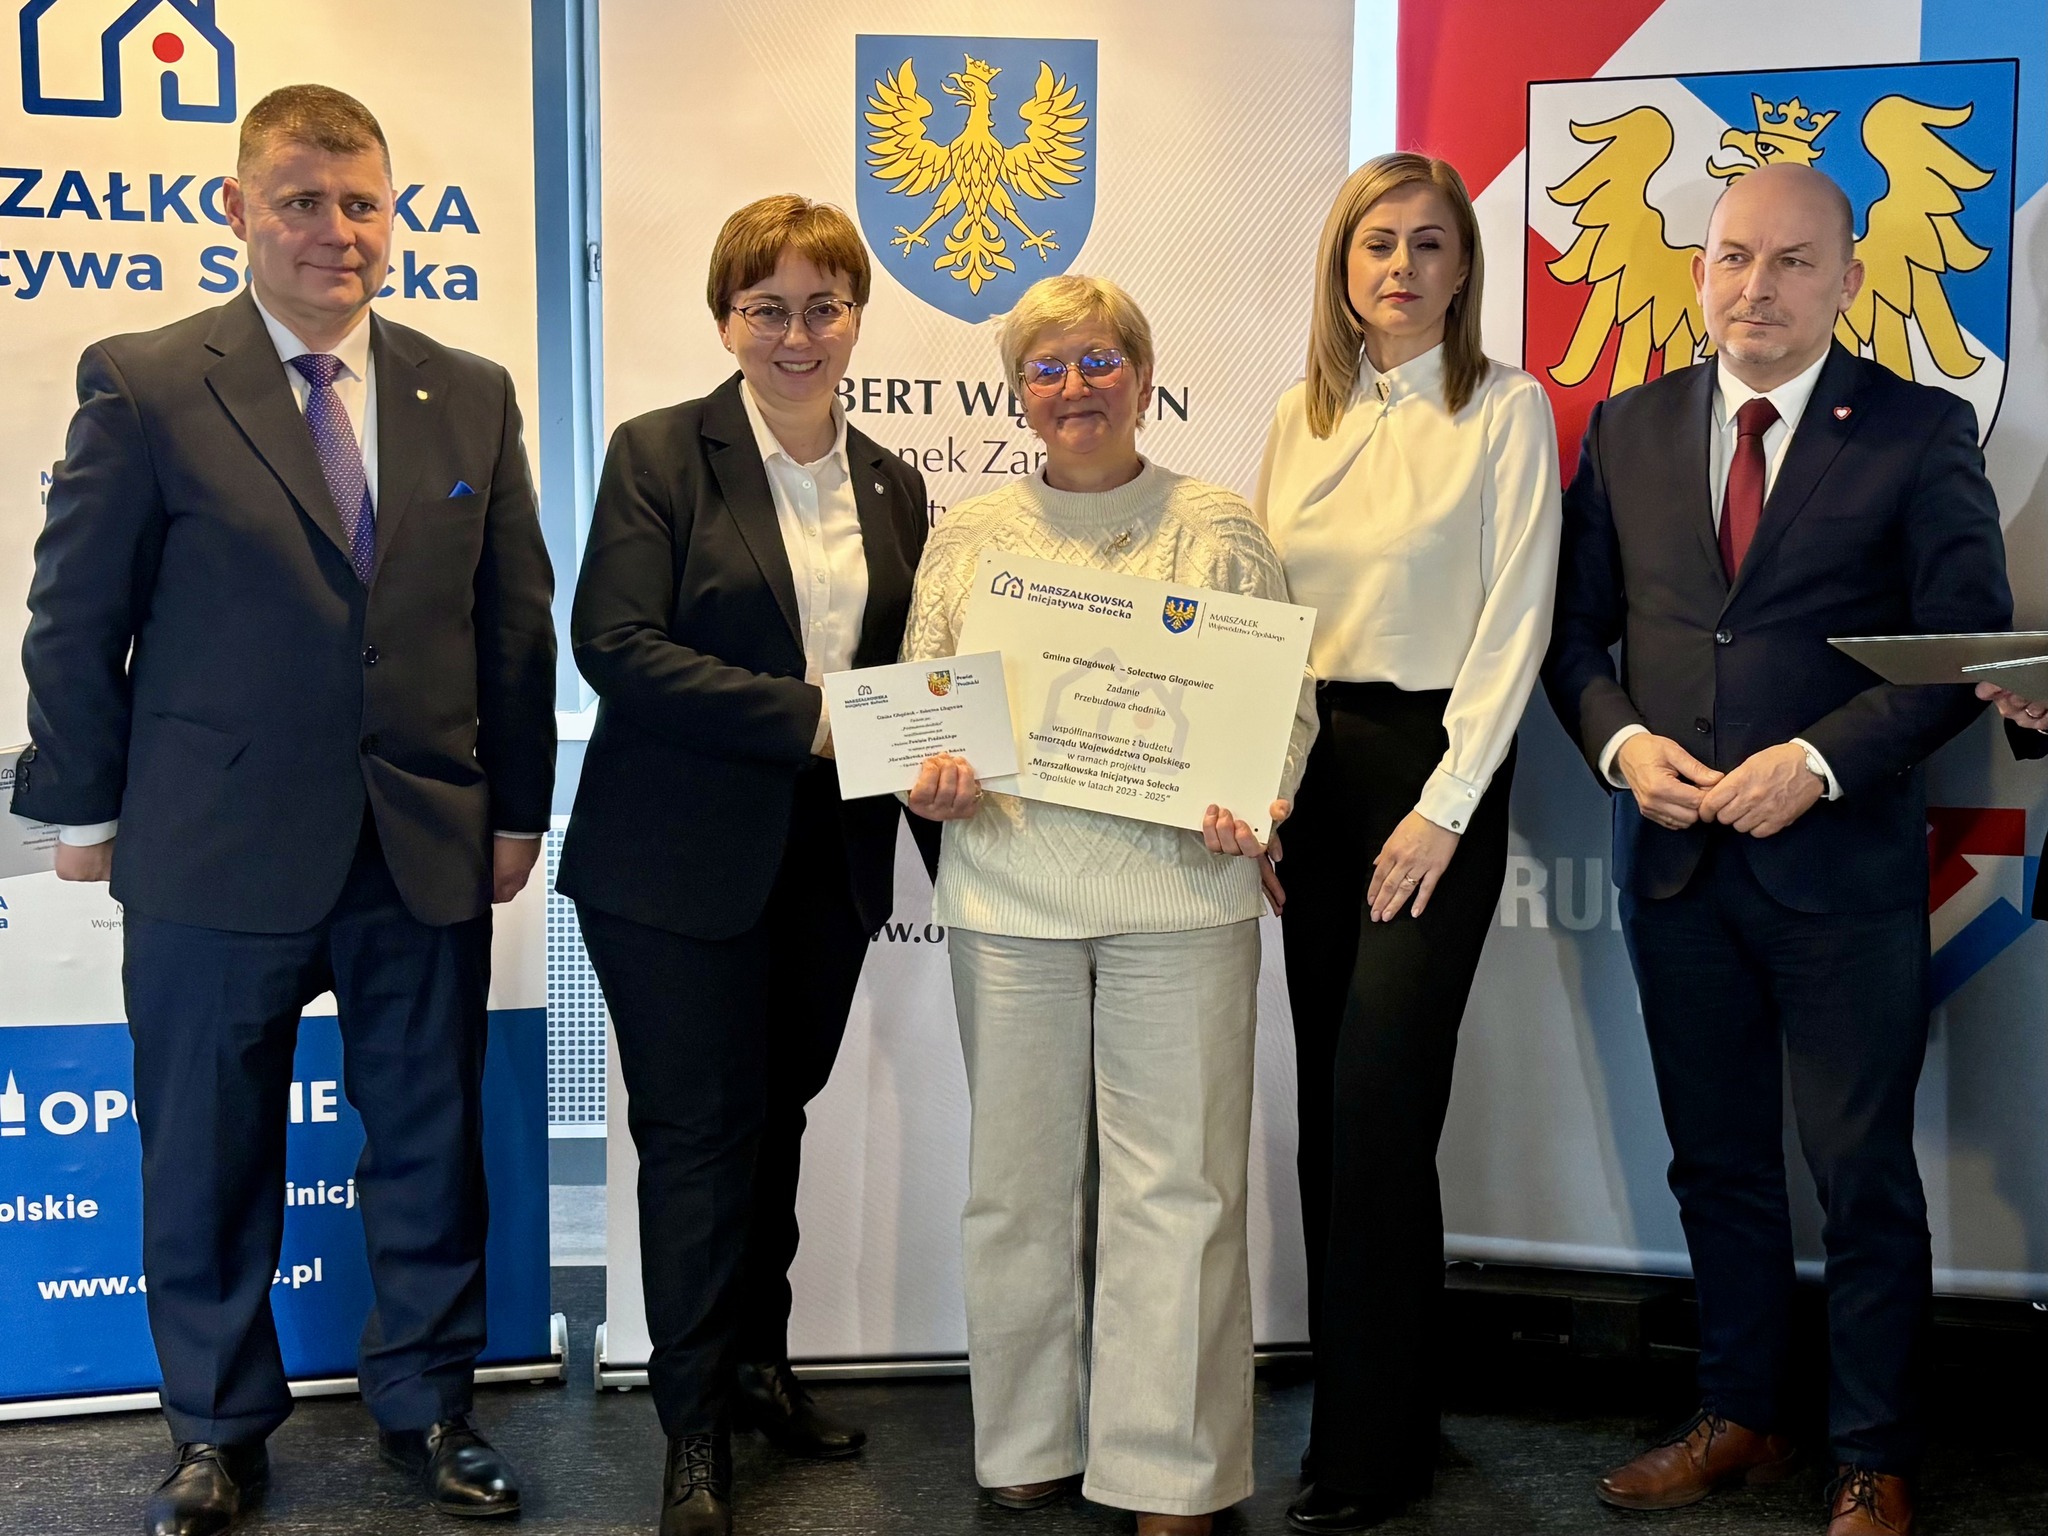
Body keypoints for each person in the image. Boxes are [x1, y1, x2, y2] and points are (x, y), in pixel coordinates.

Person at [9, 85, 555, 1534]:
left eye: (361, 202)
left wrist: (519, 812)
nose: (336, 229)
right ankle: (215, 1429)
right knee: (206, 1154)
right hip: (211, 844)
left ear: (395, 215)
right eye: (303, 199)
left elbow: (514, 625)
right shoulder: (146, 381)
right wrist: (79, 808)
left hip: (419, 842)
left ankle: (429, 1408)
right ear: (238, 208)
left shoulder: (469, 389)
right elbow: (76, 618)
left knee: (428, 1147)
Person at [1542, 163, 2011, 1536]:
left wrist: (1813, 763)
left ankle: (1872, 1453)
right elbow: (1572, 638)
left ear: (1848, 280)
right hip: (1674, 863)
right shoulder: (1626, 427)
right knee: (1715, 1161)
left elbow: (1962, 648)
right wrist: (1624, 748)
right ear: (1698, 270)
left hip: (1840, 870)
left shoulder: (1918, 430)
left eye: (1794, 261)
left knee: (1859, 1174)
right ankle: (1738, 1413)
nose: (1758, 285)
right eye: (1735, 256)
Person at [901, 274, 1317, 1536]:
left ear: (1141, 375)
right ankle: (1026, 1439)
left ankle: (1169, 1471)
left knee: (1177, 1192)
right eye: (1045, 368)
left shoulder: (1216, 527)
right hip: (1008, 892)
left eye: (1096, 361)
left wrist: (1263, 800)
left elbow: (1283, 706)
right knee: (1015, 1187)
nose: (1072, 387)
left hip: (1181, 896)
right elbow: (926, 698)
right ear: (1016, 392)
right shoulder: (970, 536)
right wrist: (931, 773)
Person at [552, 195, 931, 1536]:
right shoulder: (660, 453)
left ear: (856, 318)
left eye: (824, 306)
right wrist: (812, 721)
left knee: (777, 1122)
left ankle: (760, 1370)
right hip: (673, 867)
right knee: (702, 1140)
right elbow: (615, 645)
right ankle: (694, 1425)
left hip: (829, 862)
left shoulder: (892, 481)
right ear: (726, 320)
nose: (797, 334)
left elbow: (915, 670)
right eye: (767, 307)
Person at [1254, 152, 1561, 1534]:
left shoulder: (1503, 407)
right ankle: (1394, 1404)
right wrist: (1265, 791)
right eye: (1377, 242)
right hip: (1313, 776)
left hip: (1437, 771)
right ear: (1341, 263)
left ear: (1462, 268)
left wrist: (1444, 807)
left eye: (1429, 243)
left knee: (1379, 1104)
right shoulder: (1296, 416)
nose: (1401, 266)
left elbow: (1516, 621)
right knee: (1334, 1114)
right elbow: (1270, 627)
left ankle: (1363, 1460)